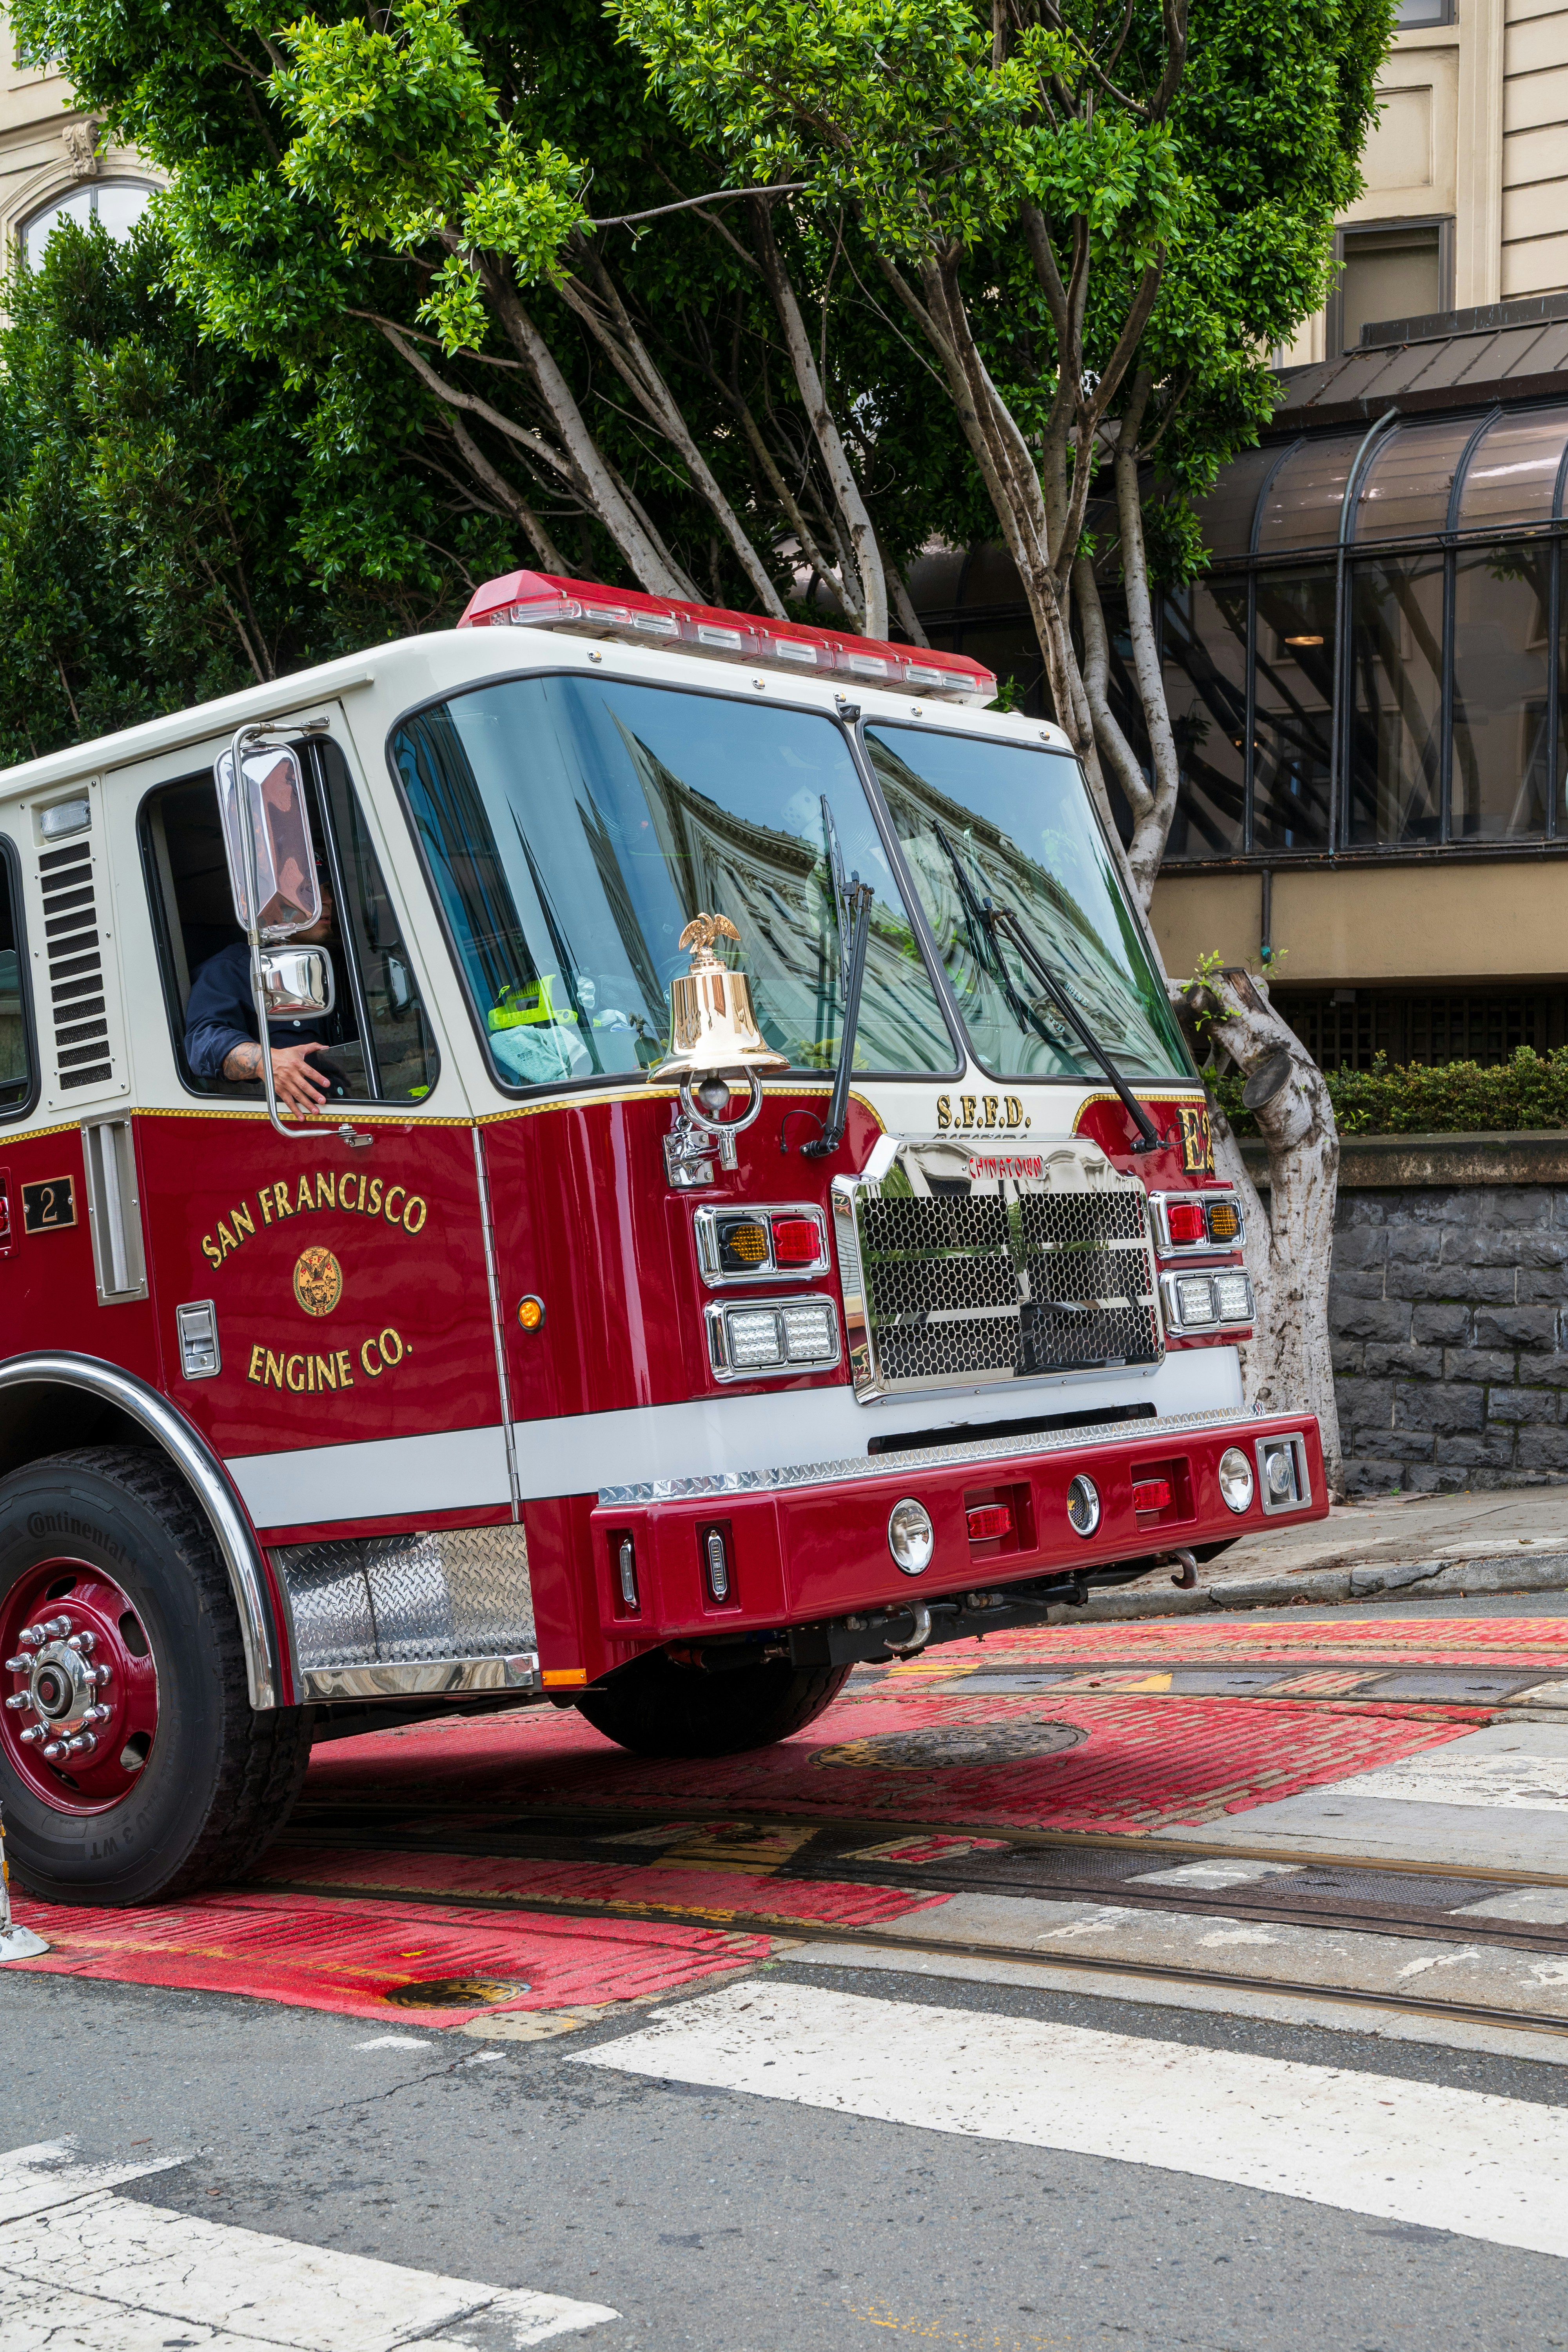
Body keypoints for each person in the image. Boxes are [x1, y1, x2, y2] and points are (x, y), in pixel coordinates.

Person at [183, 882, 338, 1114]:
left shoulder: (318, 966)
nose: (327, 901)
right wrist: (265, 1062)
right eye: (308, 890)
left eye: (328, 890)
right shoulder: (230, 970)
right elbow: (203, 1042)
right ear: (262, 903)